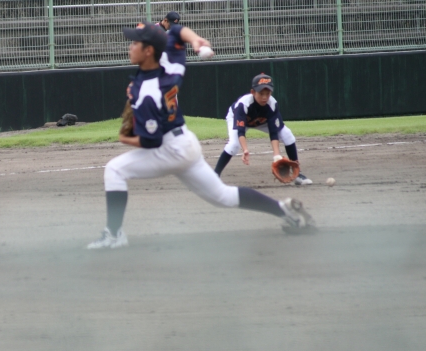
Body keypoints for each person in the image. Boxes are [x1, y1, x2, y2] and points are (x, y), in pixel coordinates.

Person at [87, 23, 316, 250]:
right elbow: (177, 31)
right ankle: (284, 211)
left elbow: (151, 141)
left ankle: (114, 235)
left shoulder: (149, 93)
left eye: (135, 43)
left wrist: (125, 138)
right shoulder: (170, 65)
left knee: (115, 170)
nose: (130, 46)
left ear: (148, 51)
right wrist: (196, 41)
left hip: (169, 150)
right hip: (185, 142)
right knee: (223, 196)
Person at [213, 74, 313, 185]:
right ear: (253, 92)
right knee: (234, 145)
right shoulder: (243, 104)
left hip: (262, 122)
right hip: (237, 119)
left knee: (287, 135)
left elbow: (273, 132)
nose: (265, 97)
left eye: (268, 93)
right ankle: (215, 176)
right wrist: (245, 150)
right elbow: (241, 131)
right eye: (261, 93)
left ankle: (297, 174)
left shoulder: (272, 104)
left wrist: (277, 156)